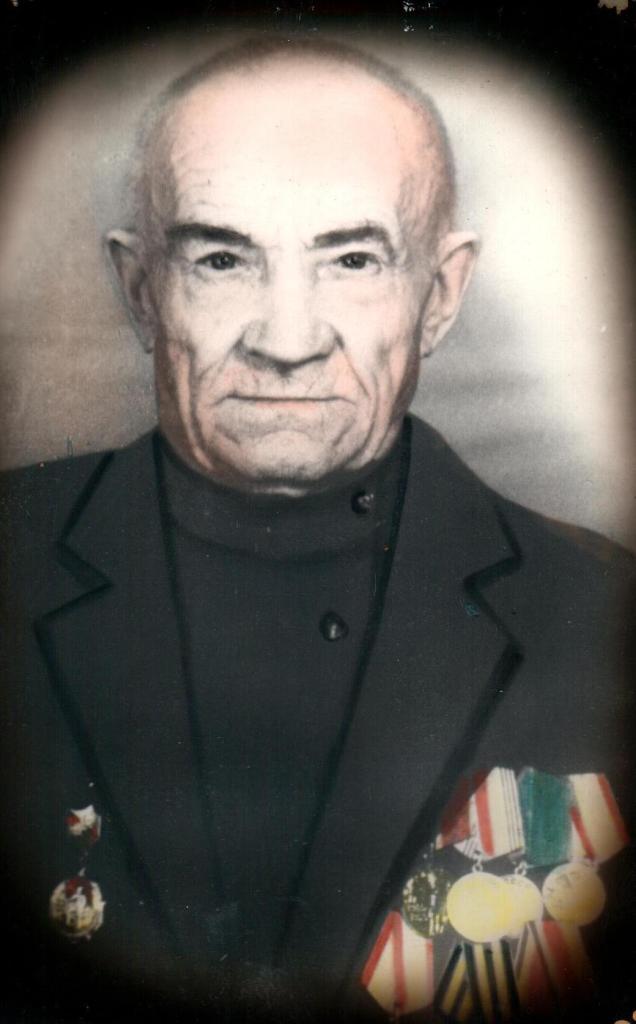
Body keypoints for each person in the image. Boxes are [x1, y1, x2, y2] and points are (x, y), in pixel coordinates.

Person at [0, 36, 633, 1024]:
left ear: (441, 294)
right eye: (221, 259)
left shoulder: (600, 614)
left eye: (351, 260)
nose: (286, 341)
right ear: (140, 288)